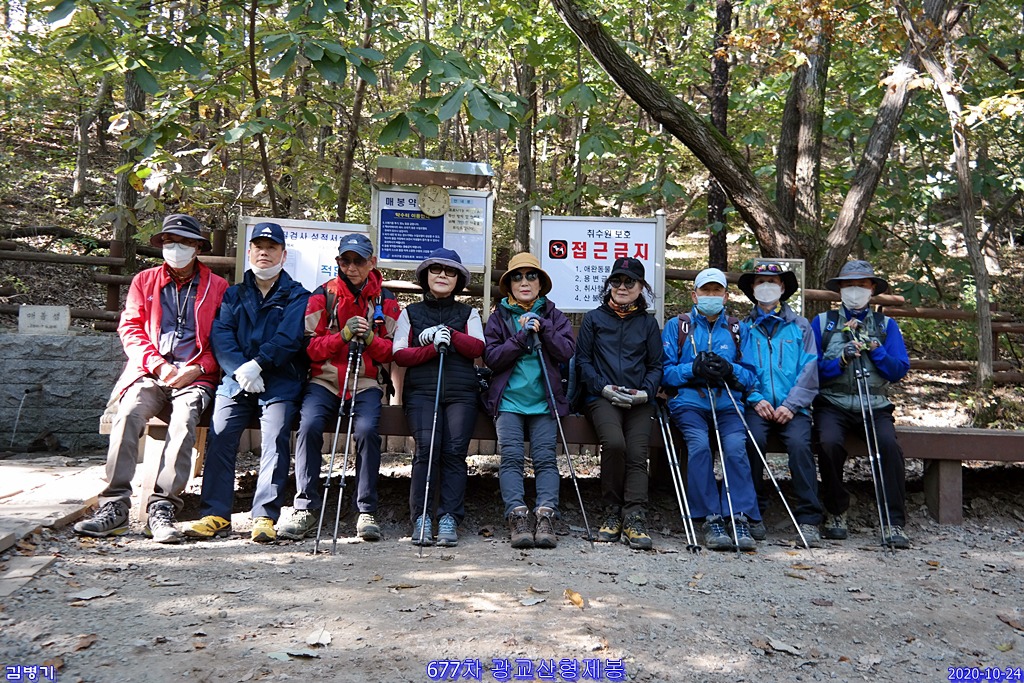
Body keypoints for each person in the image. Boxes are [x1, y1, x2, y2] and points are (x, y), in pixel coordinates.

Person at [74, 214, 228, 543]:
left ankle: (163, 507)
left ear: (198, 247)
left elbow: (225, 339)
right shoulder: (144, 281)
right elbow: (130, 328)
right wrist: (158, 365)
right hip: (148, 371)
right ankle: (114, 506)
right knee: (127, 413)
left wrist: (200, 368)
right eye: (170, 241)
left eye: (185, 242)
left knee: (184, 420)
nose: (176, 248)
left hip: (195, 375)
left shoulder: (218, 287)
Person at [184, 223, 309, 543]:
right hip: (236, 380)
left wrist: (259, 364)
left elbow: (289, 338)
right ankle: (215, 514)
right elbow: (221, 335)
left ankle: (265, 516)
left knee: (275, 438)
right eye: (258, 247)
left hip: (281, 381)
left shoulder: (298, 295)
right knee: (221, 432)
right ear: (249, 252)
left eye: (271, 247)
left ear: (283, 254)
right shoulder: (234, 294)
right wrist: (241, 370)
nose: (264, 253)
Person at [277, 233, 399, 541]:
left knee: (367, 431)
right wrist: (342, 336)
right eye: (345, 261)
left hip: (366, 381)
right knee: (308, 426)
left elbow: (392, 351)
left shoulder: (386, 300)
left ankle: (366, 510)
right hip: (325, 380)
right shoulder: (324, 294)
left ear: (372, 262)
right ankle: (305, 506)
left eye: (359, 261)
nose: (352, 267)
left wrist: (369, 338)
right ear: (338, 262)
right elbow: (309, 348)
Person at [811, 260, 911, 548]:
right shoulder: (823, 322)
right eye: (849, 285)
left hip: (875, 403)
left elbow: (898, 370)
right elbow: (811, 369)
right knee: (828, 443)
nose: (855, 290)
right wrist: (840, 360)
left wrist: (875, 349)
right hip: (833, 402)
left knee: (889, 446)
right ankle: (836, 512)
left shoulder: (885, 325)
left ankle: (893, 521)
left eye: (862, 285)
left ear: (872, 289)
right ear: (840, 289)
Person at [662, 267, 759, 551]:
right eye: (706, 290)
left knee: (736, 447)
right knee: (699, 445)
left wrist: (730, 369)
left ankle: (738, 515)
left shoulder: (737, 329)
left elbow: (751, 375)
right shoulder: (678, 326)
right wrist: (692, 369)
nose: (711, 295)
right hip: (689, 402)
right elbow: (665, 373)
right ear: (694, 295)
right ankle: (710, 517)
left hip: (727, 402)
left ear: (726, 296)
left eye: (717, 290)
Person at [482, 253, 575, 549]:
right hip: (509, 400)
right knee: (511, 458)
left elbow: (566, 352)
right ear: (509, 284)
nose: (524, 282)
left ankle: (546, 516)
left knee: (546, 459)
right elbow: (492, 358)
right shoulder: (499, 317)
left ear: (540, 283)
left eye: (531, 276)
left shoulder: (554, 316)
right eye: (517, 276)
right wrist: (521, 336)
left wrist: (543, 327)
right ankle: (517, 516)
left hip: (544, 401)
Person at [393, 248, 485, 547]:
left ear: (458, 279)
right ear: (426, 276)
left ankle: (449, 517)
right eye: (436, 269)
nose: (443, 275)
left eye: (450, 271)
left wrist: (449, 333)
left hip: (462, 393)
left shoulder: (468, 313)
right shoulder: (410, 313)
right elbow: (400, 354)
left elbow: (477, 347)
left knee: (455, 452)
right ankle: (421, 517)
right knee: (427, 449)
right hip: (421, 392)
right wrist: (431, 348)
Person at [576, 257, 662, 550]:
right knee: (614, 443)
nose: (622, 287)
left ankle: (635, 515)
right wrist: (603, 388)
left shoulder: (648, 323)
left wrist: (646, 393)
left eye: (629, 282)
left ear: (641, 287)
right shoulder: (594, 319)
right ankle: (611, 511)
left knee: (637, 451)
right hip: (601, 397)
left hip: (639, 399)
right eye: (616, 281)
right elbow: (583, 362)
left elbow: (656, 365)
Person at [737, 262, 822, 546]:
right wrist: (755, 397)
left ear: (783, 287)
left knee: (800, 446)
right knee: (751, 442)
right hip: (757, 405)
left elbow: (809, 367)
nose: (766, 286)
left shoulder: (800, 326)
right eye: (760, 281)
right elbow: (739, 368)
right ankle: (752, 513)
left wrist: (792, 404)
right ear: (752, 288)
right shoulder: (743, 328)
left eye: (772, 281)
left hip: (793, 407)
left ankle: (809, 519)